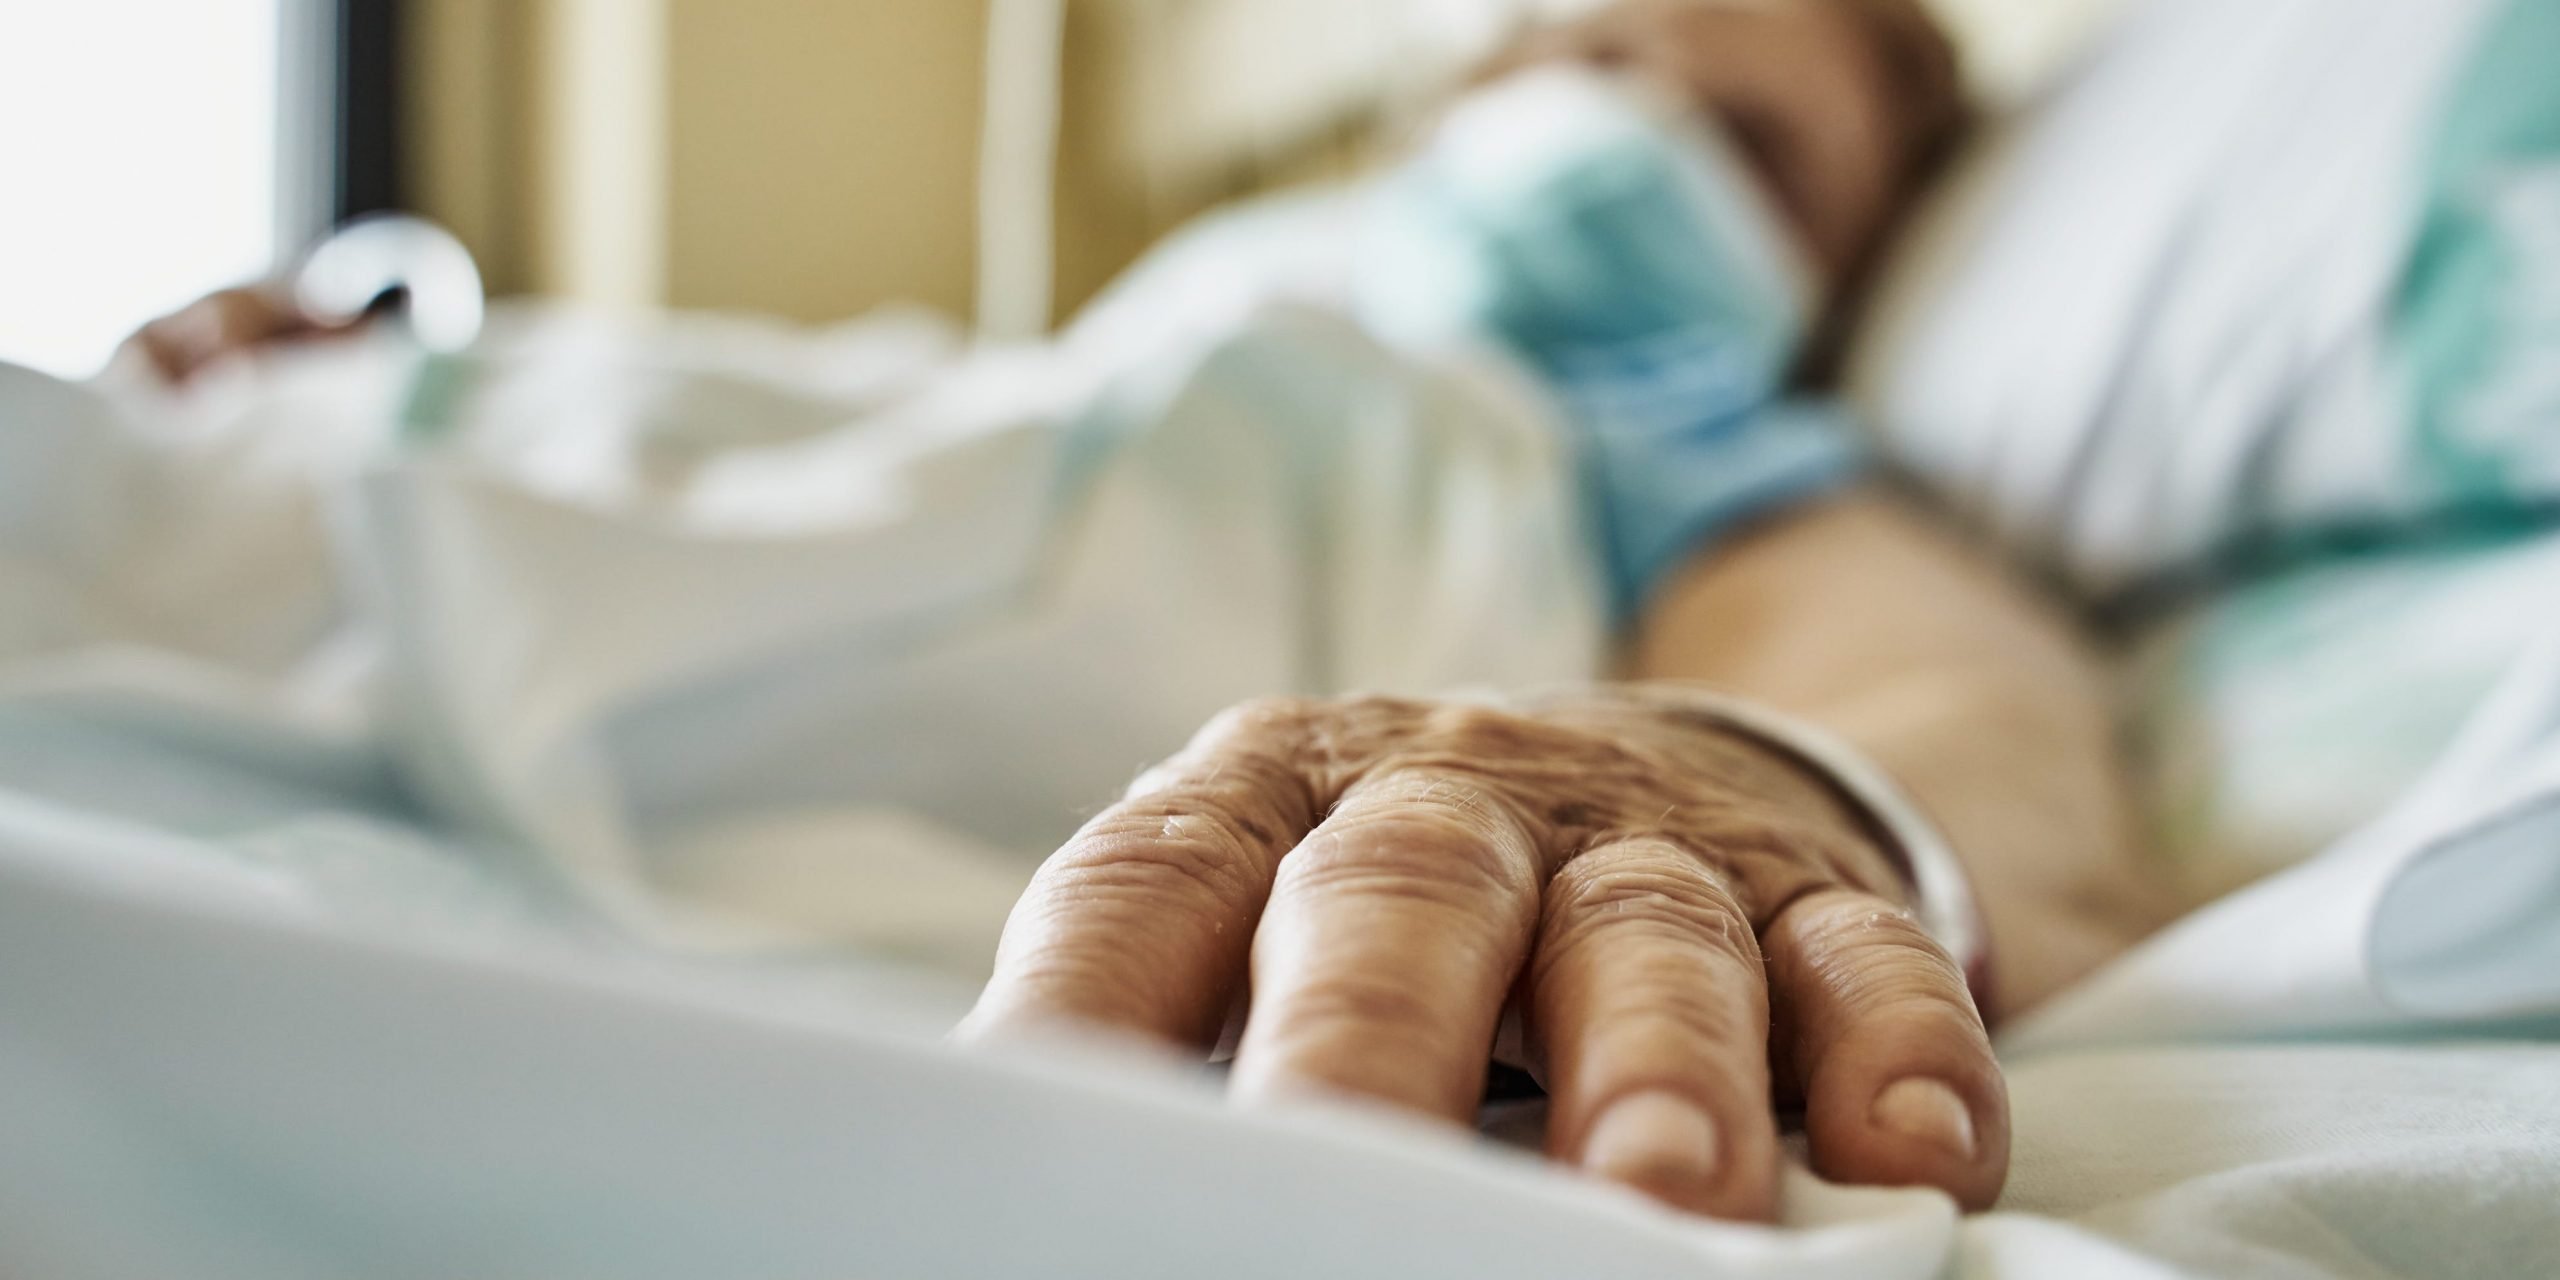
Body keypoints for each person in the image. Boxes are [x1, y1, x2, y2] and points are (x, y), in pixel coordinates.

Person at [115, 0, 2167, 1223]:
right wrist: (390, 382)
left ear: (1843, 279)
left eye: (1733, 140)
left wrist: (1715, 780)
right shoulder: (1162, 332)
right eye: (1578, 50)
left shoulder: (1674, 443)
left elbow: (1943, 714)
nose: (1604, 125)